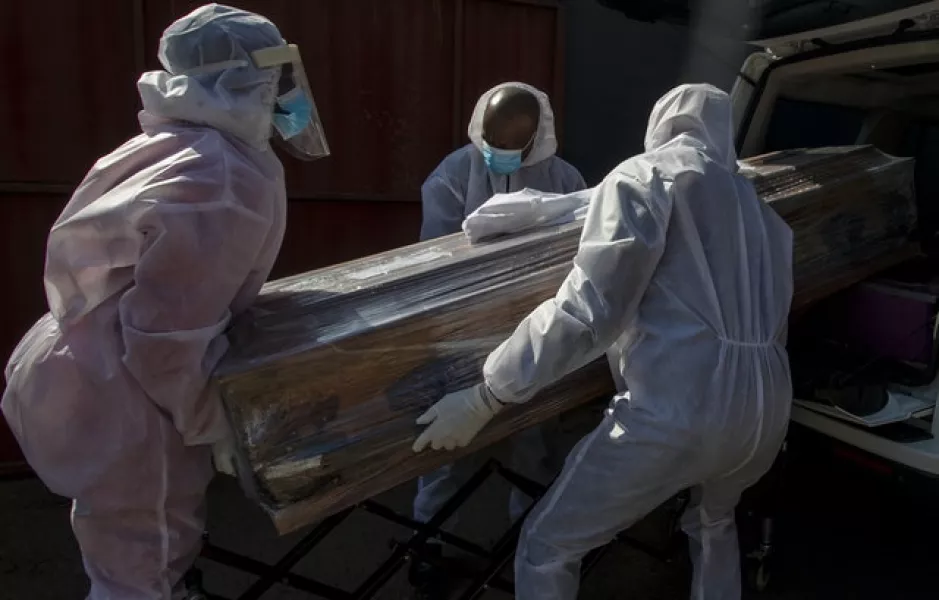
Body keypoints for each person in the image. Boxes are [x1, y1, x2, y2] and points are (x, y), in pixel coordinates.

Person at [413, 84, 794, 600]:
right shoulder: (765, 216)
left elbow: (590, 312)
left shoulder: (644, 177)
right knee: (713, 525)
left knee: (548, 547)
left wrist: (488, 394)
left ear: (658, 124)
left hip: (676, 413)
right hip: (766, 415)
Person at [1, 4, 328, 598]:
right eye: (273, 72)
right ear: (241, 77)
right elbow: (165, 338)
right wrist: (217, 425)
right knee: (140, 575)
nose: (283, 89)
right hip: (128, 400)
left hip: (85, 367)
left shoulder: (177, 143)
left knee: (122, 555)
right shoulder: (223, 175)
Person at [411, 81, 585, 597]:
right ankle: (429, 541)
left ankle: (523, 542)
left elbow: (576, 256)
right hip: (463, 333)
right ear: (479, 130)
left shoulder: (564, 177)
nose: (502, 151)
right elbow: (435, 257)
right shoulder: (452, 174)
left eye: (516, 141)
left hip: (535, 332)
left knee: (535, 443)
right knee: (445, 446)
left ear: (538, 137)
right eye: (494, 138)